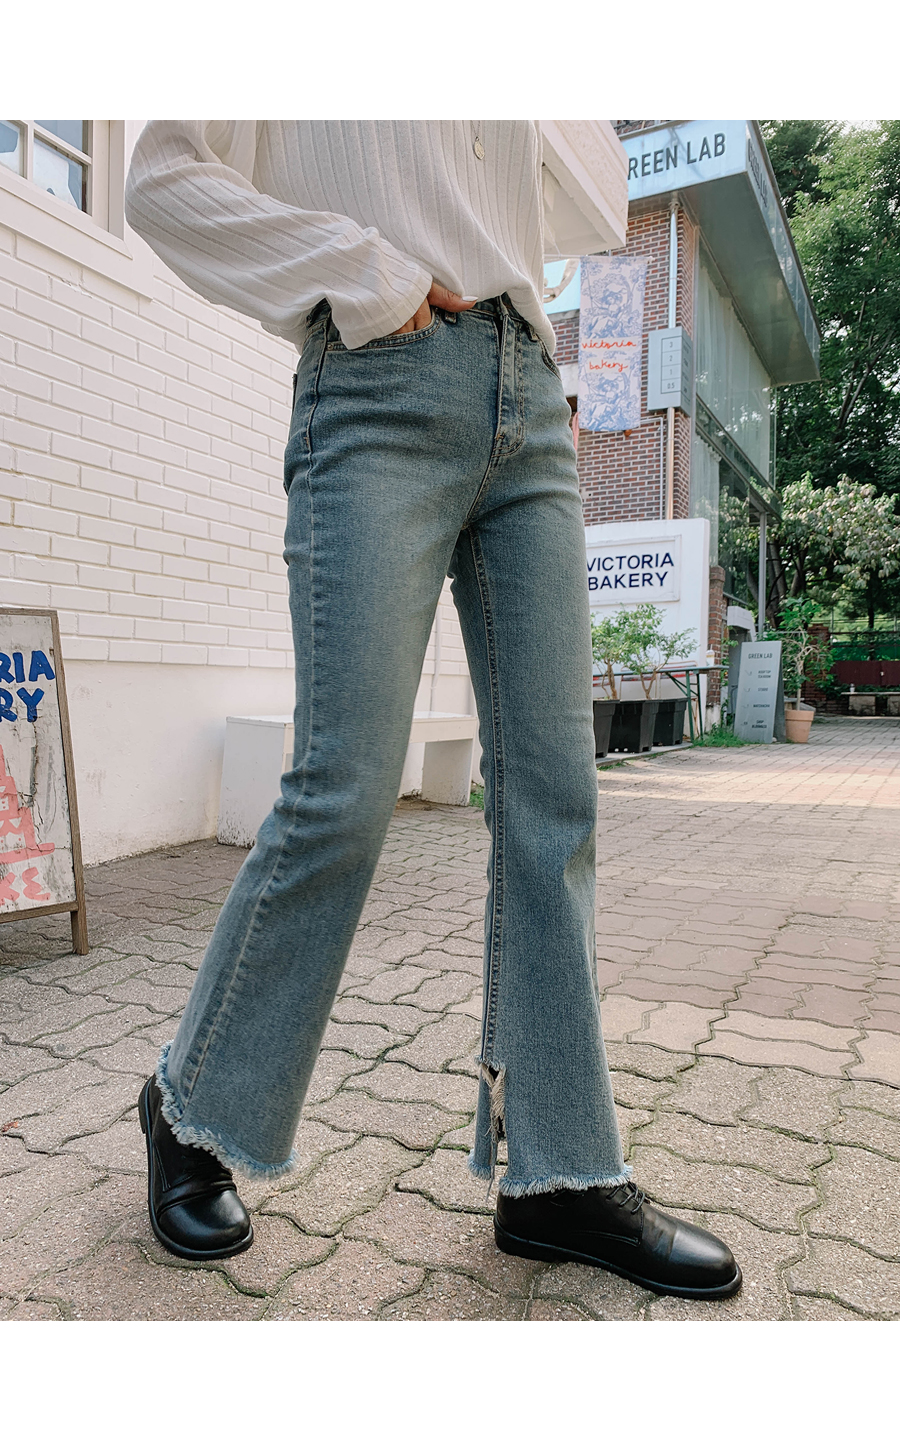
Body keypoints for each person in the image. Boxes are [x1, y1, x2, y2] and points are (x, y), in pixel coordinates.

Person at [124, 120, 741, 1299]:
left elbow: (594, 196)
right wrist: (365, 270)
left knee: (556, 801)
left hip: (530, 397)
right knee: (346, 788)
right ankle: (190, 1108)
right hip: (377, 383)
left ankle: (558, 1172)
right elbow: (161, 181)